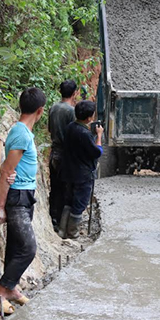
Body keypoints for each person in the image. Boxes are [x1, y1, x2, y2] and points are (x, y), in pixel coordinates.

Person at [0, 87, 46, 315]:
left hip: (24, 195)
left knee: (14, 245)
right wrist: (1, 206)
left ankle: (11, 288)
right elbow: (6, 171)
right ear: (40, 111)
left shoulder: (22, 132)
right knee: (28, 248)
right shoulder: (22, 133)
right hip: (17, 197)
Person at [59, 100, 103, 239]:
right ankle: (73, 232)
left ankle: (62, 230)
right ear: (89, 117)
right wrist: (99, 135)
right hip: (83, 174)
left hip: (69, 171)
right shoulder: (84, 133)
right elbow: (97, 152)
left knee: (69, 200)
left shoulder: (70, 127)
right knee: (80, 203)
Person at [47, 80, 77, 230]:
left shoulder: (53, 108)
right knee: (66, 190)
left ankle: (52, 218)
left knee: (55, 188)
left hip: (54, 153)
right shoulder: (71, 111)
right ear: (74, 93)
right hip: (66, 155)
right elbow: (73, 134)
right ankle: (61, 224)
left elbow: (49, 129)